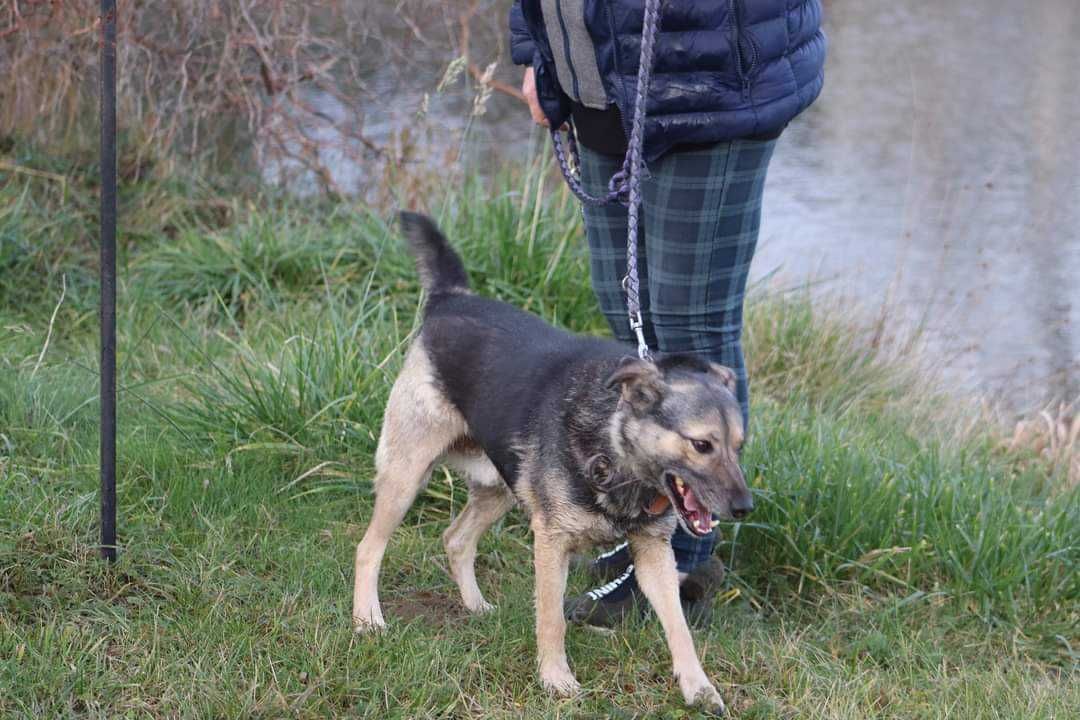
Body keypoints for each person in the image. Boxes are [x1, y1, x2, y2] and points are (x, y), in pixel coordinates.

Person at [508, 0, 826, 625]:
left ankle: (685, 562)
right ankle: (647, 523)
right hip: (595, 85)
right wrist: (540, 52)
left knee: (692, 327)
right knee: (626, 316)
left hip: (707, 85)